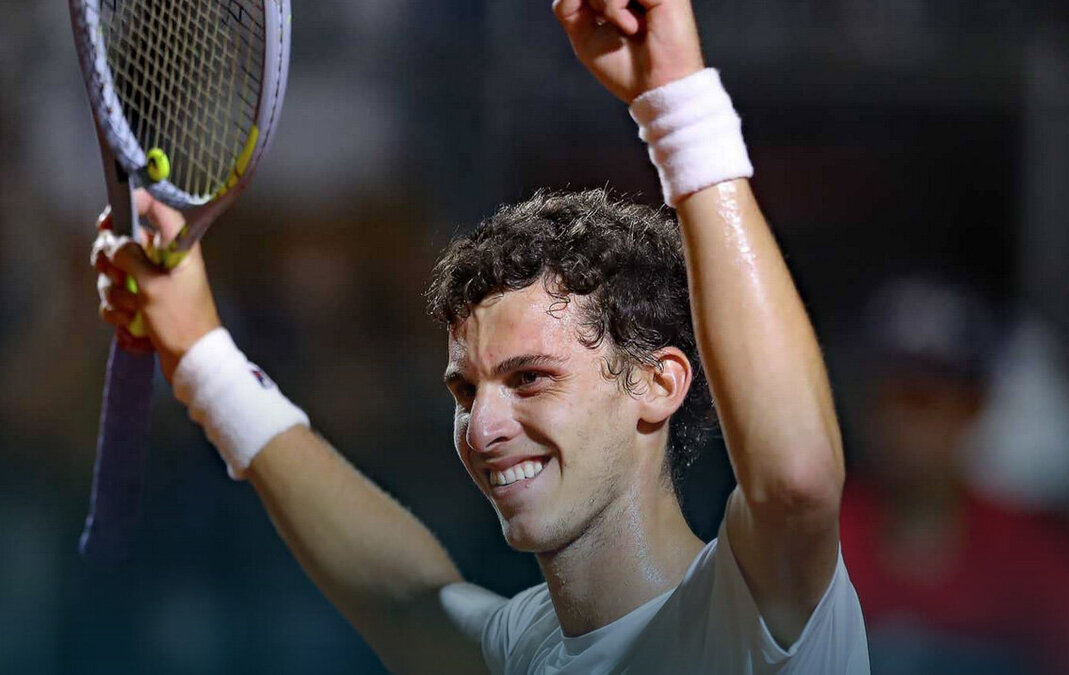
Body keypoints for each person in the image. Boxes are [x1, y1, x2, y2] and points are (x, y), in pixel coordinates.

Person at [91, 1, 868, 672]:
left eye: (530, 378)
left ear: (657, 383)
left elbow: (796, 480)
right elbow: (409, 604)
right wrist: (203, 357)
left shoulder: (753, 614)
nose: (483, 427)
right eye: (466, 389)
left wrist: (678, 103)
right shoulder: (530, 649)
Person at [840, 277, 1069, 674]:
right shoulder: (822, 537)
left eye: (921, 399)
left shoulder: (1036, 554)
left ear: (973, 407)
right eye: (882, 397)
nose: (898, 420)